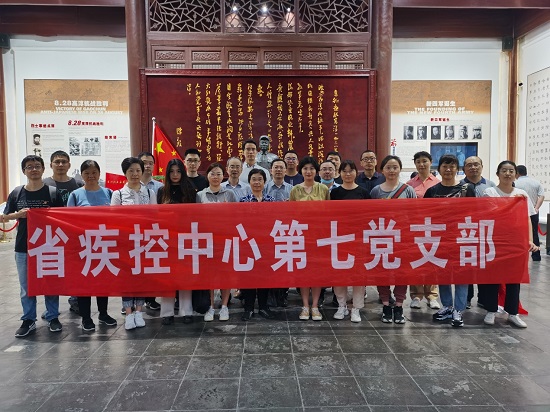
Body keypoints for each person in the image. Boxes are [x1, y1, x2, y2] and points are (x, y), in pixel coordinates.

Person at [2, 155, 64, 337]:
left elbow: (63, 217)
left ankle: (53, 317)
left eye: (37, 166)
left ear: (43, 169)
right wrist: (18, 215)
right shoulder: (17, 193)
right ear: (24, 171)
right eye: (29, 167)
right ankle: (28, 319)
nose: (34, 169)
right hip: (23, 247)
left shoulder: (52, 193)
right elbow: (4, 216)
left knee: (50, 284)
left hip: (48, 246)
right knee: (26, 286)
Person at [481, 161, 539, 328]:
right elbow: (487, 214)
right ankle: (491, 310)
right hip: (495, 240)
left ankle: (513, 312)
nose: (507, 174)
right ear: (498, 174)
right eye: (504, 170)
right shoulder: (490, 192)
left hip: (516, 242)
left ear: (516, 175)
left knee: (514, 277)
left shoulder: (521, 194)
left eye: (511, 171)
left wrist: (529, 240)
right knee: (493, 276)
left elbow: (527, 219)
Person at [425, 154, 476, 327]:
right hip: (440, 239)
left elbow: (474, 212)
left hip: (462, 237)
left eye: (452, 166)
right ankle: (447, 306)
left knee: (462, 274)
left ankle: (459, 310)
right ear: (439, 169)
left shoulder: (467, 189)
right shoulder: (432, 191)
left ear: (457, 169)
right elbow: (425, 215)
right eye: (445, 166)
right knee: (443, 273)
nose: (448, 170)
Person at [67, 160, 117, 331]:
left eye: (94, 172)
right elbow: (68, 220)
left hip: (104, 243)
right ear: (82, 175)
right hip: (83, 245)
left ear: (99, 173)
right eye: (87, 173)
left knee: (103, 281)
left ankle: (103, 313)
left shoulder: (109, 193)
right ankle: (86, 317)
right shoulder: (75, 195)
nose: (91, 176)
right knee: (84, 283)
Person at [111, 157, 157, 330]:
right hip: (126, 243)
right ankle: (129, 312)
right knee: (126, 279)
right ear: (125, 173)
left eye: (138, 170)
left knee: (141, 277)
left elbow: (155, 217)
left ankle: (139, 311)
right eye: (131, 171)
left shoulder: (149, 193)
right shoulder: (118, 194)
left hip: (144, 242)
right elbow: (114, 219)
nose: (135, 174)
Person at [370, 155, 416, 324]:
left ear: (400, 169)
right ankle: (385, 304)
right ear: (382, 170)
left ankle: (398, 305)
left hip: (402, 238)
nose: (391, 170)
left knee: (402, 273)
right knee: (382, 272)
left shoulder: (408, 190)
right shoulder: (376, 191)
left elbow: (415, 214)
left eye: (395, 167)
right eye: (388, 167)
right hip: (381, 237)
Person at [43, 150, 84, 315]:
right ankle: (52, 309)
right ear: (51, 165)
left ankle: (75, 301)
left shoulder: (77, 184)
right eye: (57, 162)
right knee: (52, 270)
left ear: (69, 165)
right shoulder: (44, 184)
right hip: (51, 235)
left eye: (63, 162)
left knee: (75, 268)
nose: (60, 165)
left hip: (73, 234)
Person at [157, 158, 197, 325]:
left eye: (178, 171)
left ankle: (187, 311)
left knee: (185, 275)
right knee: (167, 277)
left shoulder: (190, 190)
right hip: (166, 239)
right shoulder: (162, 191)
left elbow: (195, 215)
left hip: (186, 238)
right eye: (172, 171)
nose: (175, 174)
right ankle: (167, 312)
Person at [290, 156, 330, 321]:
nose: (308, 171)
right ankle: (305, 306)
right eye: (305, 168)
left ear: (316, 171)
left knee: (317, 272)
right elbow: (291, 214)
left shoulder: (323, 189)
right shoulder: (295, 190)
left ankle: (315, 306)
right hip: (301, 237)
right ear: (301, 170)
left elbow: (328, 213)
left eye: (312, 168)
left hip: (318, 236)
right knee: (303, 272)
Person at [196, 162, 238, 321]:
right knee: (210, 275)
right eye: (212, 173)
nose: (215, 177)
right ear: (207, 176)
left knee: (225, 273)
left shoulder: (230, 194)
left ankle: (225, 306)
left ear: (223, 176)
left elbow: (236, 216)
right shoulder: (200, 195)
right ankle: (211, 307)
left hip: (225, 240)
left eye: (218, 174)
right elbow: (196, 219)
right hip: (207, 241)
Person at [330, 160, 370, 322]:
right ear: (339, 173)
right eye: (344, 171)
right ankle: (342, 305)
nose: (347, 174)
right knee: (340, 274)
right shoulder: (335, 193)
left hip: (359, 239)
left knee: (358, 275)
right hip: (339, 238)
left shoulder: (363, 192)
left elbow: (369, 216)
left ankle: (356, 308)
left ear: (356, 172)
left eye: (351, 170)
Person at [239, 168, 276, 321]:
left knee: (264, 276)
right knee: (248, 276)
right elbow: (239, 222)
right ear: (249, 182)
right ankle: (248, 308)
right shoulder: (243, 201)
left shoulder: (271, 201)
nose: (257, 182)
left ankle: (263, 307)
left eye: (260, 179)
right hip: (248, 244)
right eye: (254, 179)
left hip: (265, 244)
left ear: (264, 182)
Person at [406, 151, 441, 310]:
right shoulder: (409, 184)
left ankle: (432, 295)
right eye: (418, 161)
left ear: (431, 162)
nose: (421, 164)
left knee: (431, 260)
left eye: (424, 161)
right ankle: (416, 295)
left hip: (433, 227)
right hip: (415, 227)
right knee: (416, 261)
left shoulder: (438, 183)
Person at [138, 151, 164, 311]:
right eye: (144, 163)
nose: (147, 166)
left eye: (150, 163)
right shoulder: (131, 185)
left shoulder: (160, 187)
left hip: (153, 232)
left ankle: (151, 299)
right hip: (135, 232)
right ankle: (132, 301)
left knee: (152, 266)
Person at [515, 165, 545, 262]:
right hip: (533, 212)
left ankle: (519, 255)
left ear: (517, 173)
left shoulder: (515, 183)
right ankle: (536, 256)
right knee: (534, 233)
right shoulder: (536, 182)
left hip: (518, 213)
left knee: (518, 233)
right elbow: (542, 196)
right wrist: (536, 208)